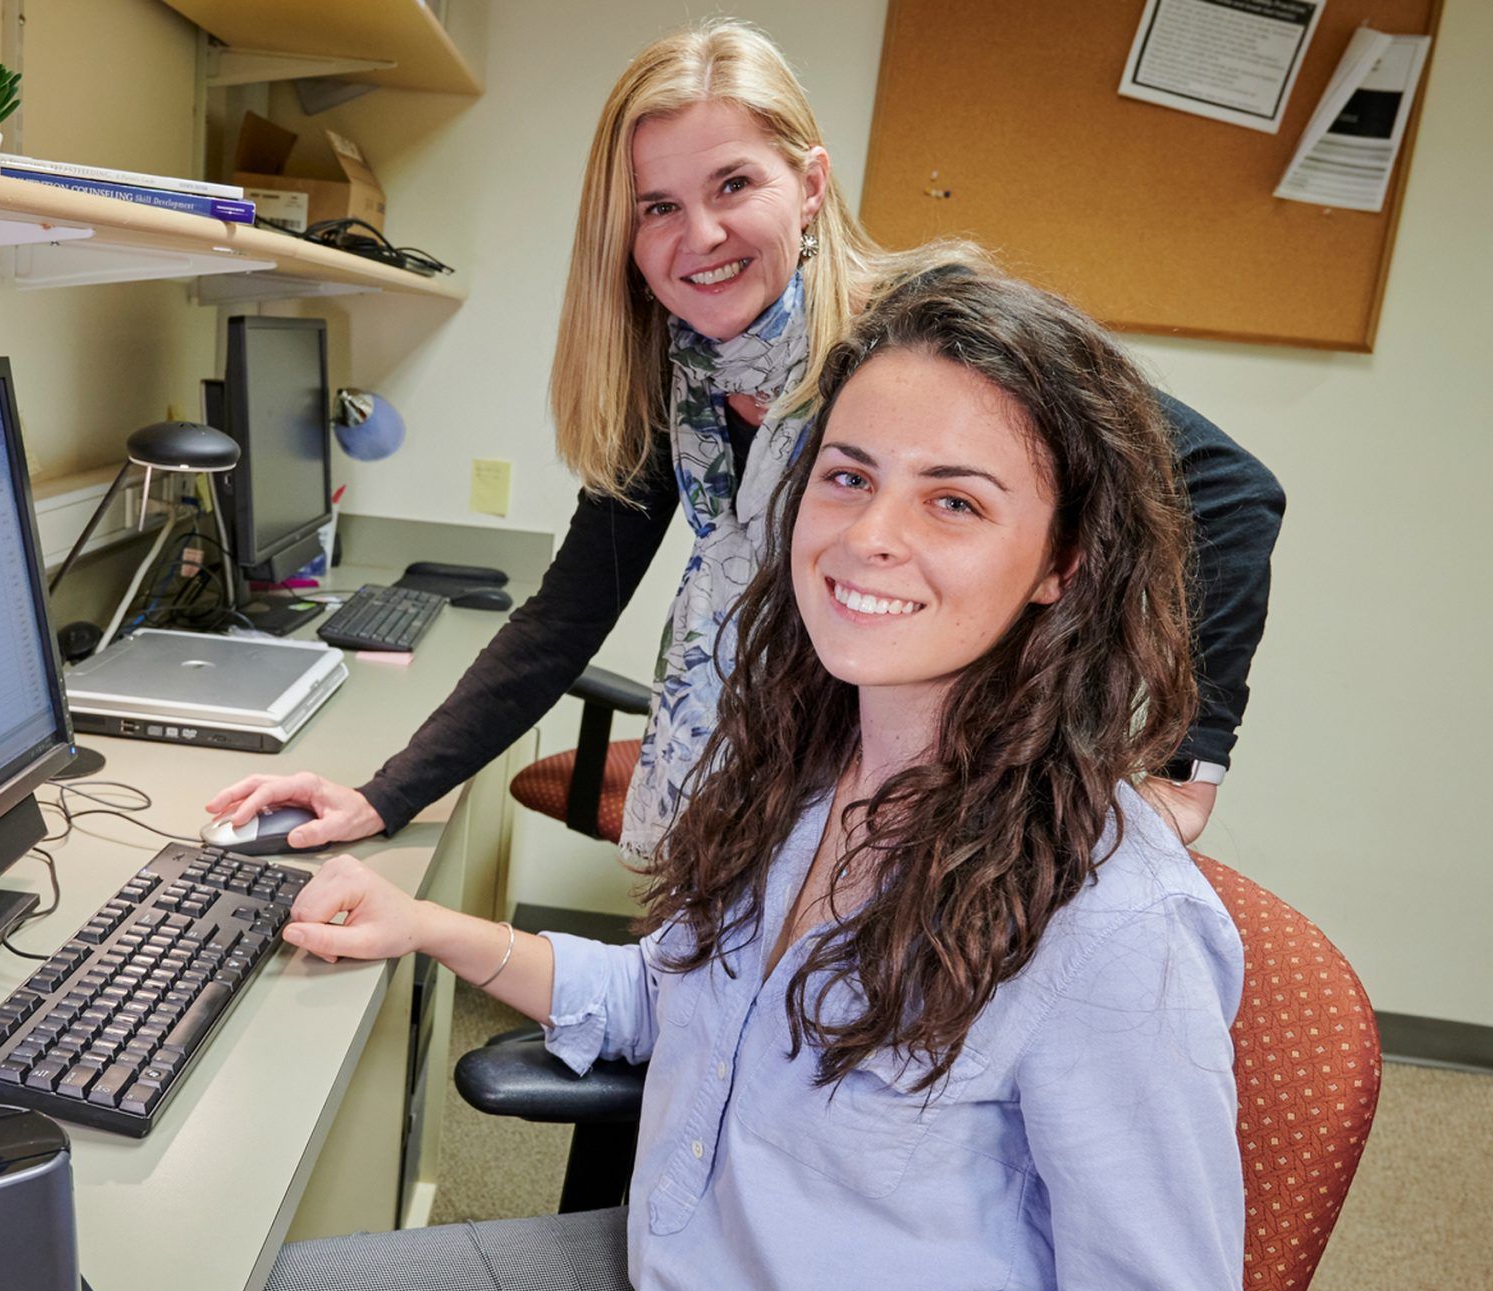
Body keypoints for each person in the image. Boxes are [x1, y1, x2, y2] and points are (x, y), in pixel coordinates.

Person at [206, 263, 1258, 1291]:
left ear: (1062, 562)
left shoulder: (1115, 921)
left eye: (953, 503)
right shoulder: (807, 769)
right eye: (849, 477)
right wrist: (439, 932)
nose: (868, 537)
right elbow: (685, 999)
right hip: (676, 1279)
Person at [208, 19, 1282, 861]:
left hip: (922, 810)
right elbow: (564, 617)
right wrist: (383, 793)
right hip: (753, 798)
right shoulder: (683, 380)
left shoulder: (934, 340)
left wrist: (1186, 763)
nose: (700, 238)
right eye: (657, 207)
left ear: (808, 187)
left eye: (734, 186)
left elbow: (1228, 493)